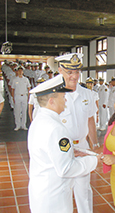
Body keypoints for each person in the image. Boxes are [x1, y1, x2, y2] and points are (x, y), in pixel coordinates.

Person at [28, 74, 102, 213]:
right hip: (54, 199)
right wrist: (93, 161)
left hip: (42, 192)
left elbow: (49, 152)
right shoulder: (56, 129)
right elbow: (66, 169)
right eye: (63, 97)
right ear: (52, 101)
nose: (66, 101)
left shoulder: (39, 120)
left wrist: (71, 152)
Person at [57, 53, 100, 213]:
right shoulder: (55, 95)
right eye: (70, 72)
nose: (74, 76)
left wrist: (94, 144)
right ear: (60, 70)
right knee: (62, 190)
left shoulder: (87, 94)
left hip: (82, 146)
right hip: (62, 149)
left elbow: (90, 121)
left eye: (77, 72)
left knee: (83, 190)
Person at [11, 65, 31, 131]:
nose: (20, 72)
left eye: (21, 71)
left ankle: (23, 125)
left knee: (24, 111)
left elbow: (28, 88)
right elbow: (13, 89)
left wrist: (28, 97)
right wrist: (13, 97)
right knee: (17, 111)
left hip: (24, 96)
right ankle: (18, 125)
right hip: (17, 96)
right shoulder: (15, 79)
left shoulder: (26, 79)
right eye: (19, 71)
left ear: (23, 71)